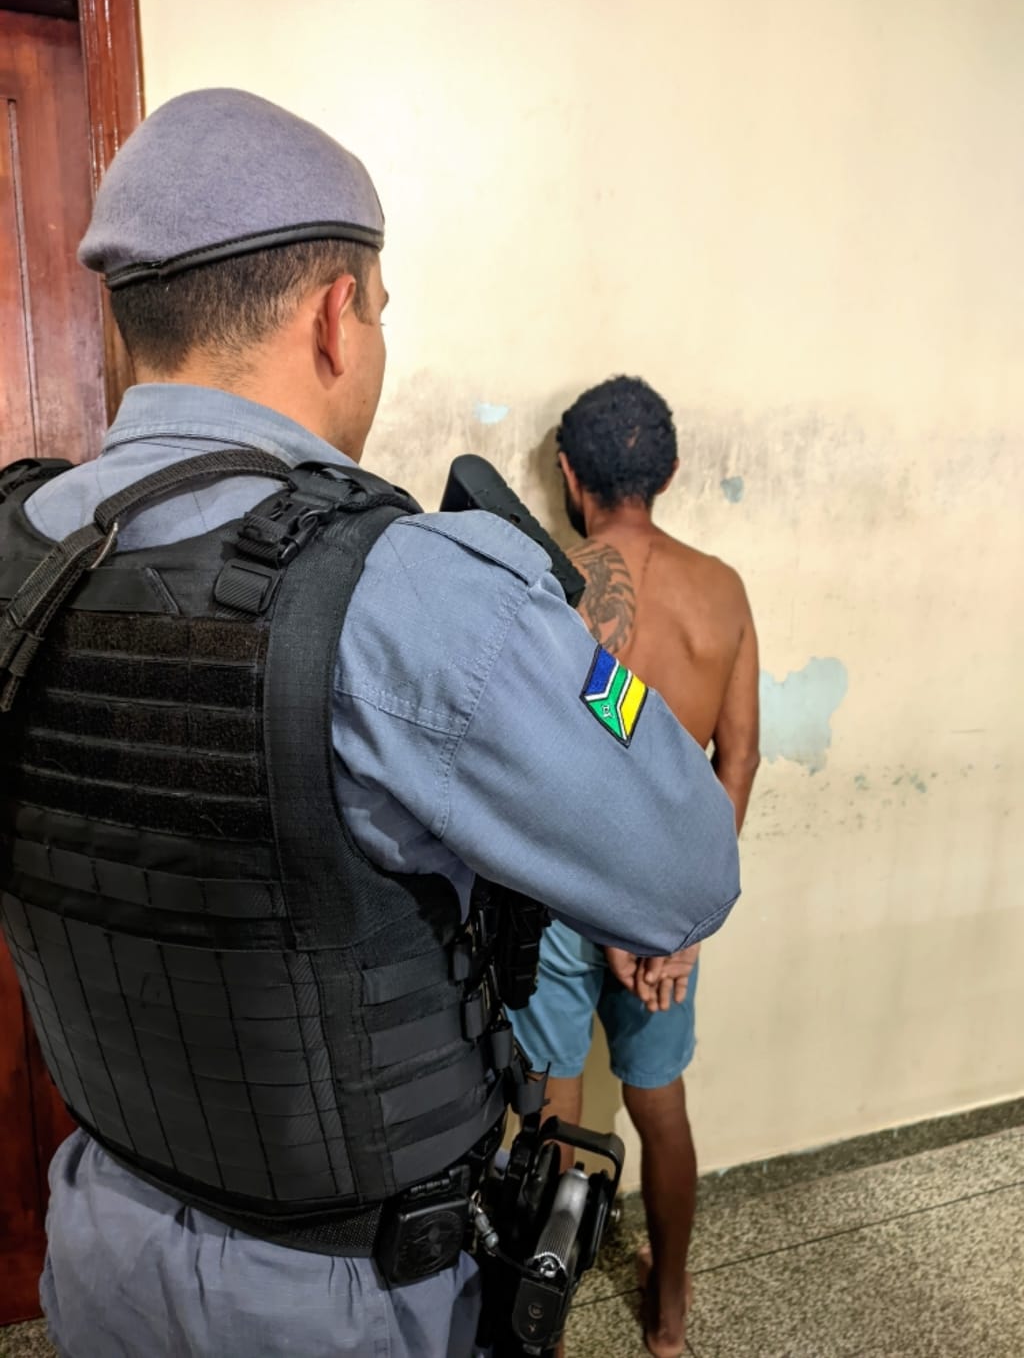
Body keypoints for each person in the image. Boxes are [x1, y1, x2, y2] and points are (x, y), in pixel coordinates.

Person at [0, 96, 741, 1358]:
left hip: (105, 1245)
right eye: (380, 312)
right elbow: (686, 868)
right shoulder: (412, 591)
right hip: (337, 1299)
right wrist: (563, 647)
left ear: (128, 322)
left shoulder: (21, 553)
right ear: (334, 316)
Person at [510, 376, 760, 1358]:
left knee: (553, 1103)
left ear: (569, 474)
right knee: (660, 1103)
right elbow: (736, 759)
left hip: (558, 887)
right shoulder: (722, 591)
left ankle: (542, 1320)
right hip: (665, 900)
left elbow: (531, 763)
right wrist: (681, 915)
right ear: (672, 471)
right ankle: (668, 1314)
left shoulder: (546, 583)